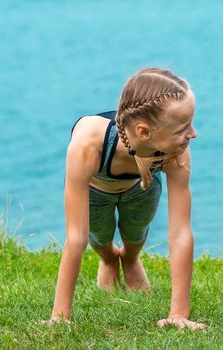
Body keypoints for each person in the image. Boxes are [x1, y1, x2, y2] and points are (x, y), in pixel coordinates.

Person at [45, 68, 205, 330]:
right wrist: (59, 318)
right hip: (97, 192)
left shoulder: (177, 152)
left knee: (135, 231)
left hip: (142, 187)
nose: (193, 133)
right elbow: (76, 237)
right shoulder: (88, 142)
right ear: (144, 132)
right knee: (100, 235)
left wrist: (179, 315)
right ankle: (108, 258)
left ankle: (130, 258)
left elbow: (180, 232)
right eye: (183, 127)